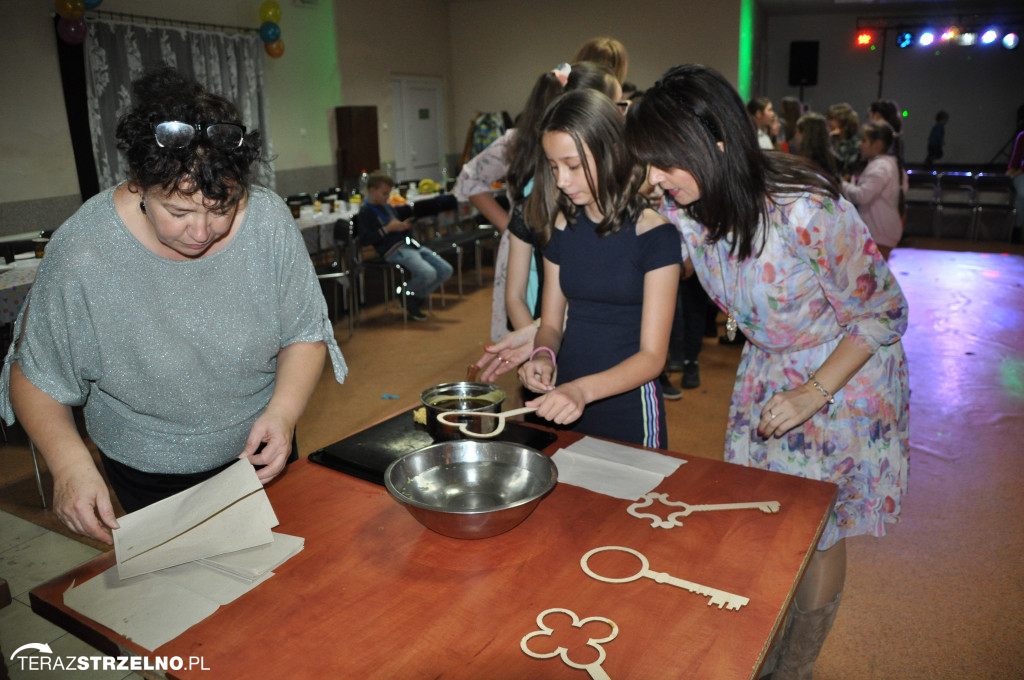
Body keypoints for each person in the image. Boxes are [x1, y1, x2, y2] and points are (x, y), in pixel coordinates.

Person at [626, 64, 909, 679]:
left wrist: (812, 393)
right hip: (769, 367)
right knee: (775, 519)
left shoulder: (804, 209)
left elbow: (885, 312)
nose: (653, 179)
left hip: (839, 374)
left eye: (663, 162)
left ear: (715, 143)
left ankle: (796, 667)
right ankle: (773, 646)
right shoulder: (693, 207)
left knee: (821, 527)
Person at [0, 67, 347, 543]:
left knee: (279, 585)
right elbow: (36, 374)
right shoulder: (84, 247)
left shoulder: (267, 219)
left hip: (261, 451)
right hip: (149, 470)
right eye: (179, 212)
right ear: (140, 185)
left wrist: (284, 413)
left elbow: (303, 333)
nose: (201, 232)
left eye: (221, 209)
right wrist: (70, 465)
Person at [517, 89, 681, 448]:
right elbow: (551, 324)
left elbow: (653, 358)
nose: (561, 180)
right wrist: (542, 355)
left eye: (573, 166)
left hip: (626, 404)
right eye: (554, 166)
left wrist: (582, 390)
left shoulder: (656, 236)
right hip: (565, 396)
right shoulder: (561, 226)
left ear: (610, 152)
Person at [456, 62, 621, 341]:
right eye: (555, 167)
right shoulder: (517, 149)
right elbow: (468, 179)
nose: (562, 180)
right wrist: (511, 225)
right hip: (529, 262)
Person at [356, 170, 453, 321]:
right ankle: (405, 293)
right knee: (428, 273)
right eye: (384, 193)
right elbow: (365, 240)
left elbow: (394, 224)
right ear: (372, 191)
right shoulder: (365, 212)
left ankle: (413, 297)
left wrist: (401, 226)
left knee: (446, 270)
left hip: (409, 245)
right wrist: (387, 229)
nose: (387, 197)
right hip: (394, 250)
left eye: (388, 193)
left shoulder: (386, 206)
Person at [842, 122, 903, 260]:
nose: (860, 144)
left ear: (878, 144)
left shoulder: (880, 166)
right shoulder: (888, 164)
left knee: (873, 278)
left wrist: (842, 184)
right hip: (881, 231)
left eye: (864, 140)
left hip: (879, 232)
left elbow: (862, 196)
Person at [794, 112, 841, 184]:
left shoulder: (809, 166)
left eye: (797, 132)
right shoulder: (833, 161)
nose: (795, 137)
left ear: (805, 135)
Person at [826, 102, 863, 178]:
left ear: (843, 121)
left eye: (831, 118)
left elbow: (847, 170)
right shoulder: (829, 140)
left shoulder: (855, 145)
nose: (827, 121)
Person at [1007, 129, 1024, 239]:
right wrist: (1011, 170)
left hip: (1021, 172)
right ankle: (1017, 229)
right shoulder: (1022, 136)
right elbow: (1015, 157)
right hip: (1021, 174)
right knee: (1022, 194)